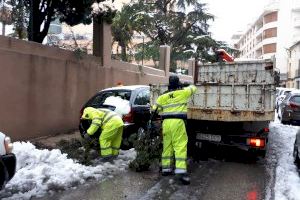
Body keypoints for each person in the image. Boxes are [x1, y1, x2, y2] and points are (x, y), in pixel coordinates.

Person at [152, 75, 197, 185]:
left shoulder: (163, 97)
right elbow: (194, 88)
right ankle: (181, 171)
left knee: (167, 146)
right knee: (180, 146)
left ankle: (166, 169)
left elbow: (155, 110)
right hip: (178, 123)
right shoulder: (183, 93)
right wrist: (185, 85)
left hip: (166, 123)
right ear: (178, 84)